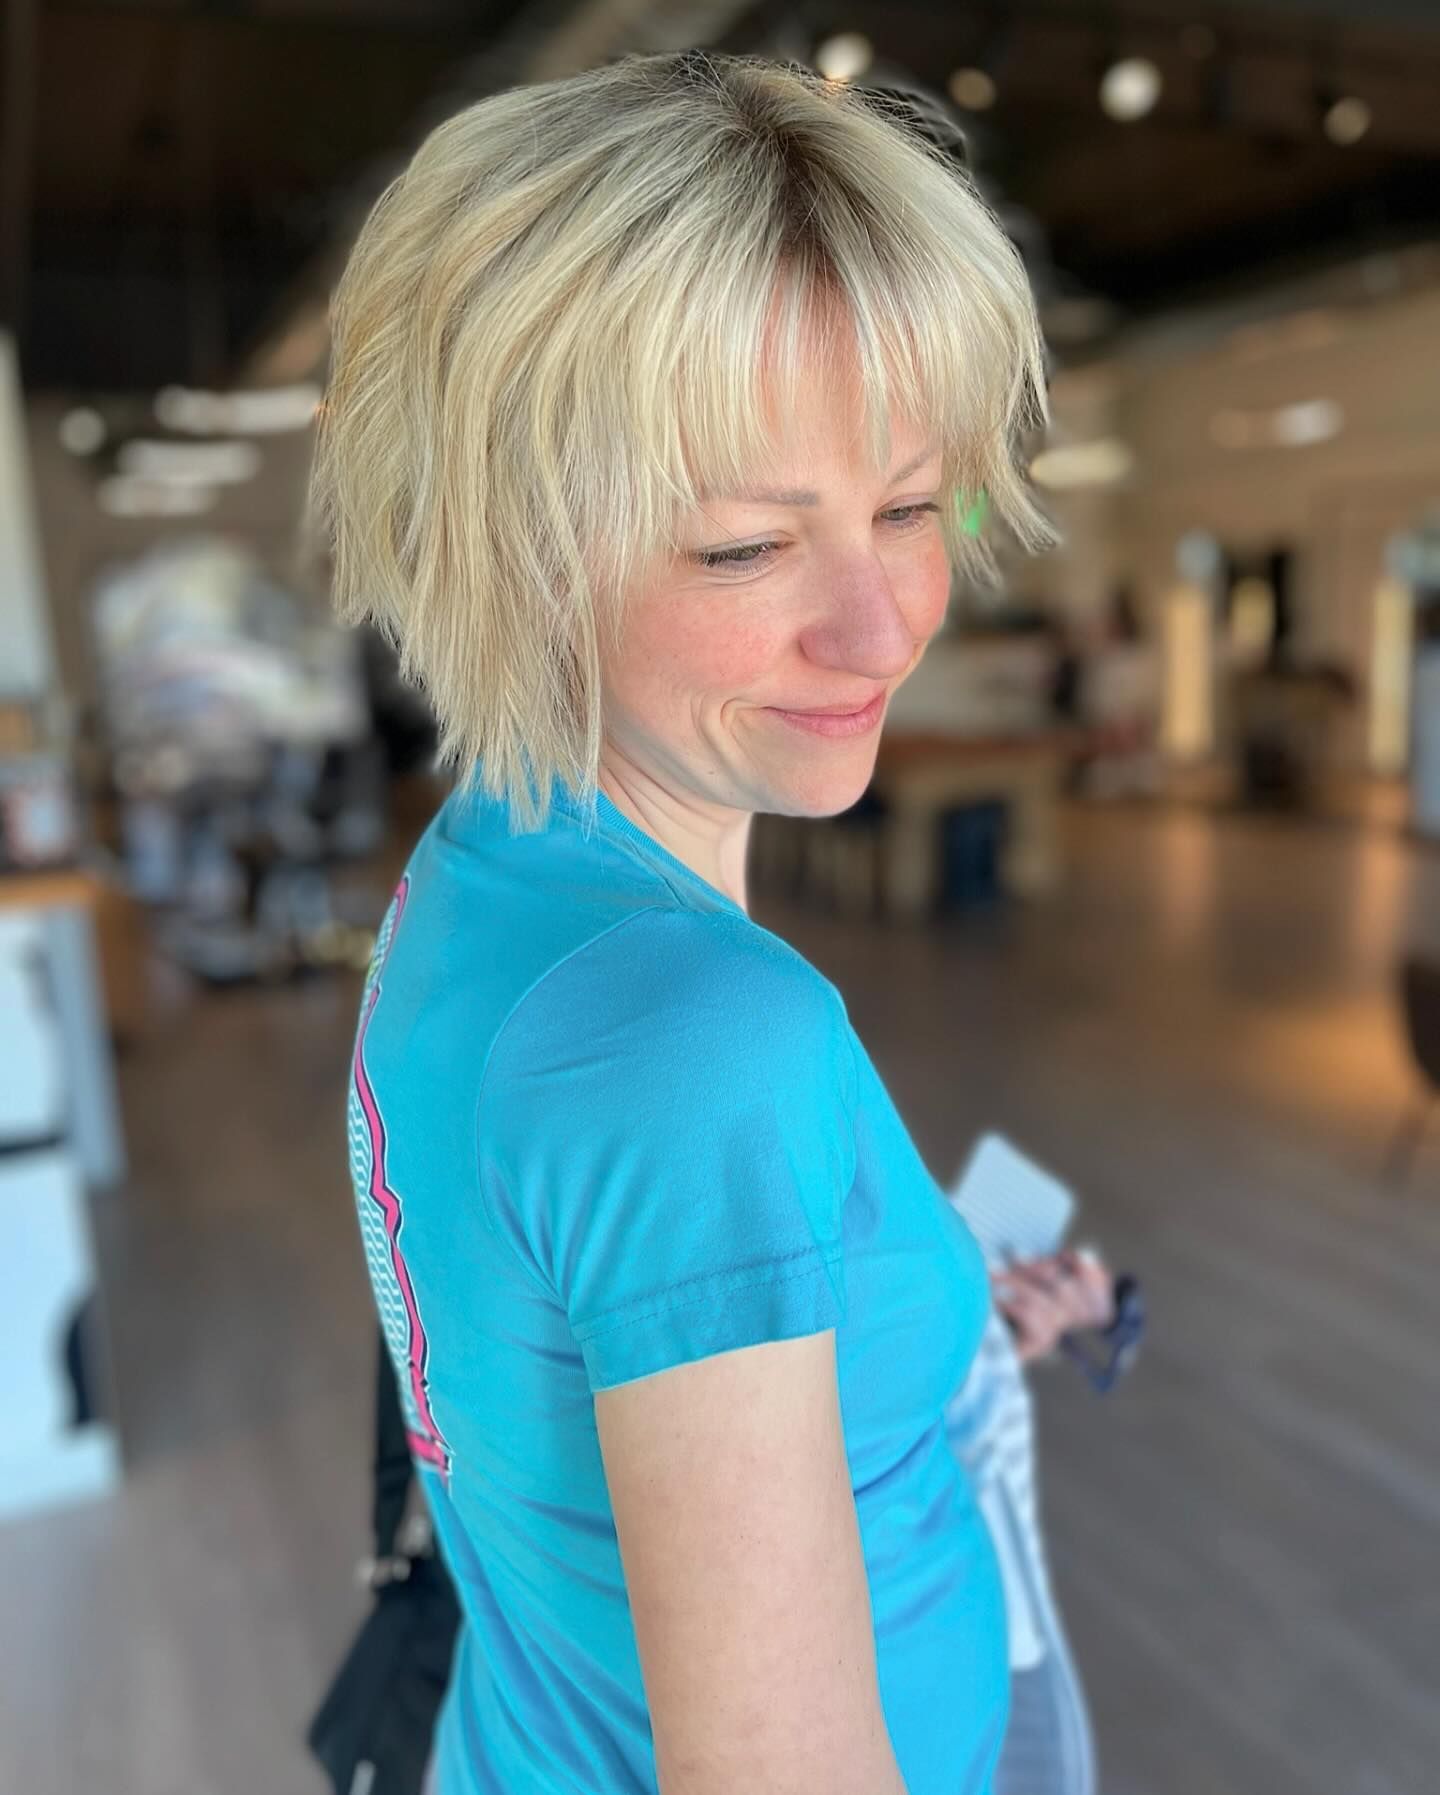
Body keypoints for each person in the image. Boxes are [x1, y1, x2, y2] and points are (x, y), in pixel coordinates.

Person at [313, 50, 1051, 1795]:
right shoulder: (699, 1037)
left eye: (905, 507)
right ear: (505, 543)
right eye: (744, 548)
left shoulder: (485, 873)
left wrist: (933, 1293)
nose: (880, 631)